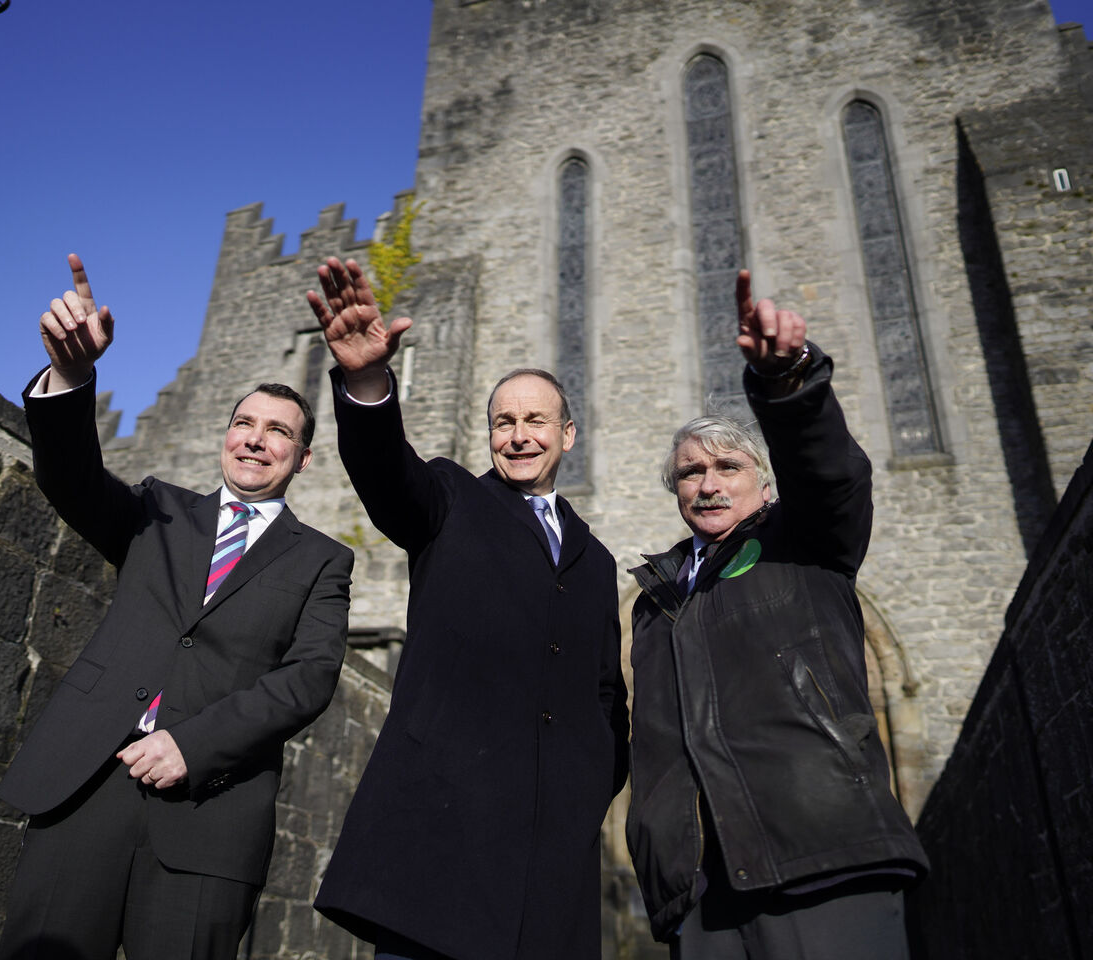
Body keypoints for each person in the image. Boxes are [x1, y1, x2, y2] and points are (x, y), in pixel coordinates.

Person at [0, 254, 354, 960]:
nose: (255, 438)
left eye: (278, 430)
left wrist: (193, 744)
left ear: (303, 458)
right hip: (86, 787)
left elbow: (310, 677)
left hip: (209, 817)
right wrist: (71, 377)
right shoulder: (156, 509)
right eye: (244, 422)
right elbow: (69, 478)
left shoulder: (322, 560)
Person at [304, 257, 629, 960]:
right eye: (503, 422)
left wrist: (585, 784)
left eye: (536, 421)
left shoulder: (597, 561)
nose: (518, 435)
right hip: (440, 839)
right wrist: (366, 382)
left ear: (567, 435)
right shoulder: (451, 498)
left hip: (550, 860)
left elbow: (606, 693)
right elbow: (386, 475)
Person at [626, 270, 928, 960]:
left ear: (763, 480)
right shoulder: (655, 604)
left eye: (727, 466)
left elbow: (830, 475)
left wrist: (788, 388)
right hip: (701, 894)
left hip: (825, 855)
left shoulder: (804, 541)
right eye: (688, 473)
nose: (706, 484)